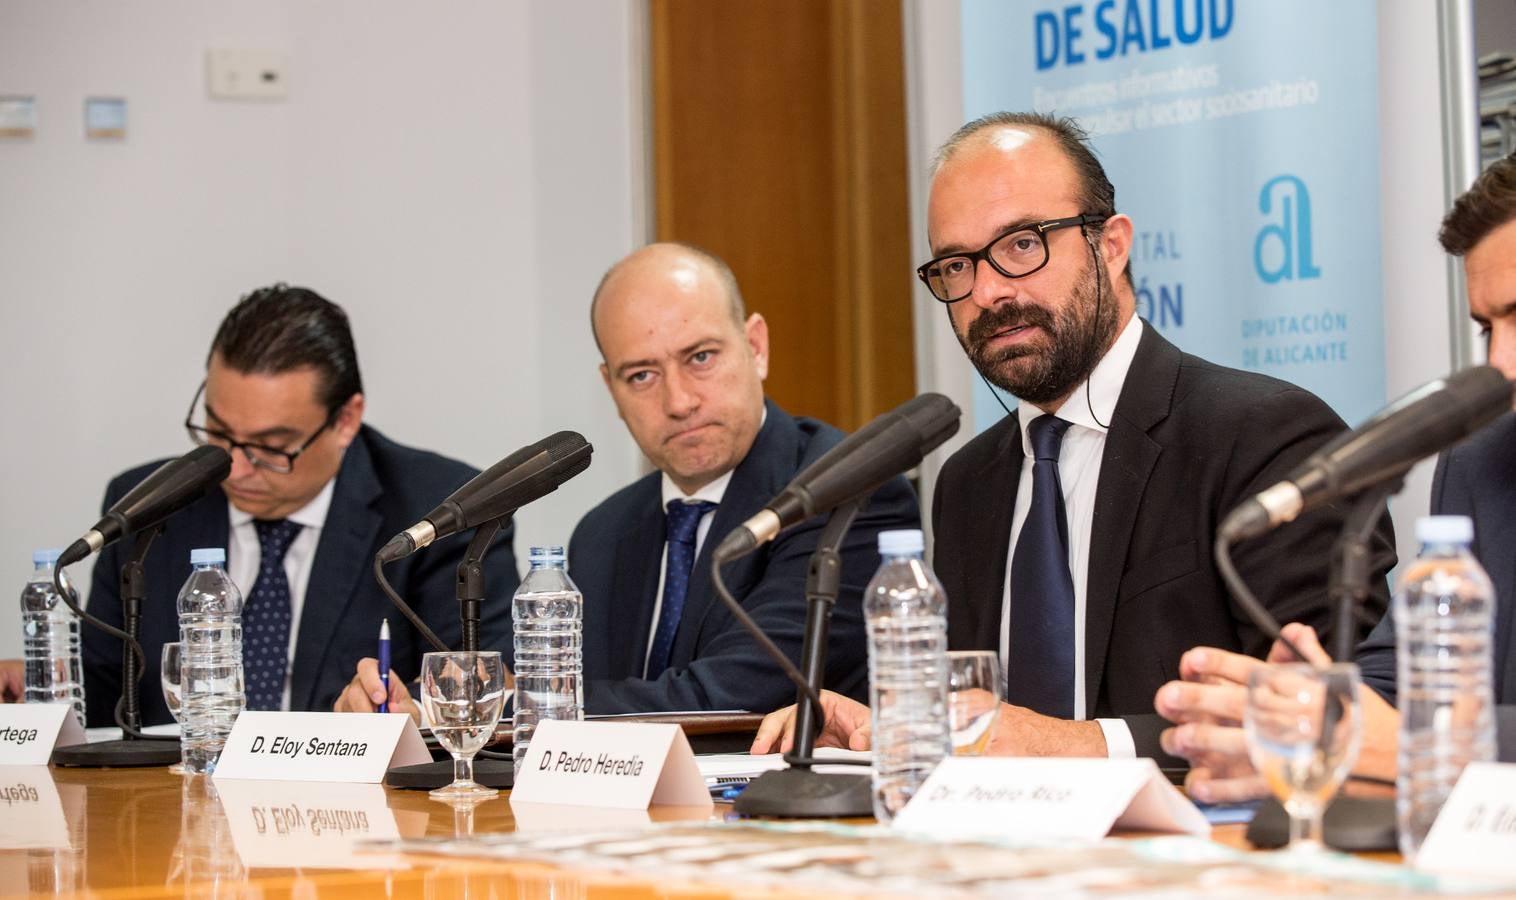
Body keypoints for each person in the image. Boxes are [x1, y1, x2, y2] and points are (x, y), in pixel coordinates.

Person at [753, 111, 1393, 760]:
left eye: (1023, 244)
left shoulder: (1263, 437)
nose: (991, 291)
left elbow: (1330, 716)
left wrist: (1074, 746)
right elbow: (986, 729)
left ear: (1112, 246)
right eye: (956, 265)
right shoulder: (968, 482)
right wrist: (888, 731)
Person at [336, 243, 920, 716]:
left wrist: (515, 708)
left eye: (701, 357)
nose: (680, 400)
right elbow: (561, 689)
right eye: (641, 375)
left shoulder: (841, 490)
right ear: (611, 389)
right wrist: (432, 709)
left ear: (756, 346)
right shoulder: (606, 530)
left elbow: (734, 699)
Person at [1157, 152, 1516, 802]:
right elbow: (1398, 679)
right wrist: (1310, 707)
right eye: (1488, 327)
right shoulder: (1484, 461)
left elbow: (1400, 735)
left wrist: (1420, 747)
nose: (1499, 363)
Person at [0, 285, 518, 725]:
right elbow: (108, 689)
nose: (236, 467)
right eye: (220, 434)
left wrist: (418, 710)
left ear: (345, 420)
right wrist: (40, 688)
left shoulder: (440, 510)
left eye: (270, 447)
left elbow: (490, 686)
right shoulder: (150, 507)